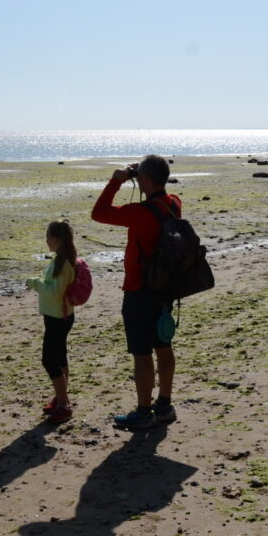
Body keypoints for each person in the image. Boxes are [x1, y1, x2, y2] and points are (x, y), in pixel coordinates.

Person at [91, 154, 180, 429]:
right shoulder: (174, 203)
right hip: (164, 288)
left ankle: (143, 412)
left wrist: (116, 181)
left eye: (140, 176)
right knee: (163, 346)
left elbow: (99, 213)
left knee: (142, 353)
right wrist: (139, 173)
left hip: (140, 290)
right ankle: (164, 405)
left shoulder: (141, 213)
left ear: (146, 179)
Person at [25, 220, 77, 424]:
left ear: (55, 239)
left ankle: (64, 405)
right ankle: (61, 398)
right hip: (60, 315)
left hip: (58, 318)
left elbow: (54, 292)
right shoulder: (62, 259)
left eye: (47, 237)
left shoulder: (62, 263)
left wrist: (34, 282)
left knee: (49, 360)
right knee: (60, 357)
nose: (46, 240)